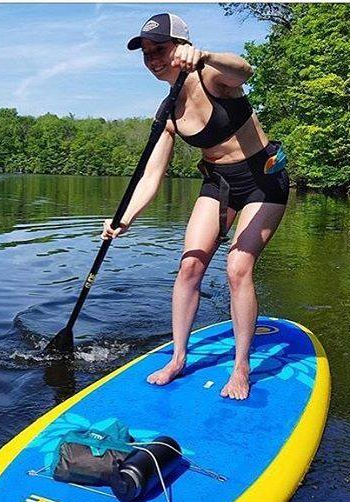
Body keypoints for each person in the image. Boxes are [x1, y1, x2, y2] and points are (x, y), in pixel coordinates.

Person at [102, 13, 289, 400]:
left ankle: (241, 367)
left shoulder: (214, 78)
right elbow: (151, 178)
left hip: (262, 178)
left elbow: (245, 69)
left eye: (161, 49)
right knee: (189, 265)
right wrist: (125, 219)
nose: (153, 58)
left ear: (182, 46)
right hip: (218, 182)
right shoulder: (167, 113)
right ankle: (179, 358)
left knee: (238, 267)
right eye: (147, 53)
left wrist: (203, 56)